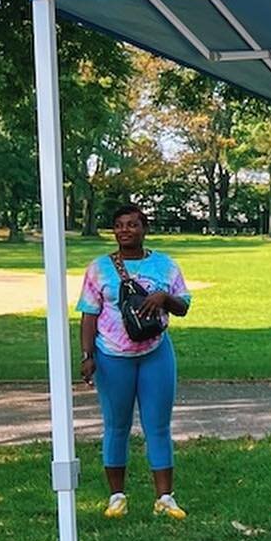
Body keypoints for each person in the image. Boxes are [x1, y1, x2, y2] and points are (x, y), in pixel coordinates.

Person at [75, 202, 191, 518]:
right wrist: (88, 355)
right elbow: (89, 314)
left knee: (158, 425)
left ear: (144, 228)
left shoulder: (165, 266)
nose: (125, 230)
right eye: (119, 225)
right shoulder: (99, 268)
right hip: (113, 356)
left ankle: (165, 498)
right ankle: (116, 497)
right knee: (116, 425)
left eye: (132, 224)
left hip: (156, 353)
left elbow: (183, 306)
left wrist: (164, 298)